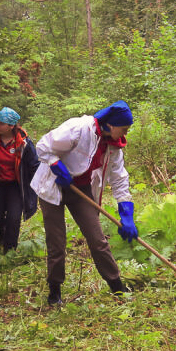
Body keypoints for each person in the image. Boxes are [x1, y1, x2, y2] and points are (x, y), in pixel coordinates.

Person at [30, 100, 139, 305]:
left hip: (81, 189)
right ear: (111, 124)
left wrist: (126, 213)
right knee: (57, 243)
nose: (126, 133)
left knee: (98, 239)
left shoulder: (114, 147)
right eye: (124, 128)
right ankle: (55, 292)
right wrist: (56, 166)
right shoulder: (79, 128)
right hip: (53, 185)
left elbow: (119, 178)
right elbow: (43, 146)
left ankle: (117, 288)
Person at [0, 107, 40, 254]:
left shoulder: (24, 143)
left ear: (11, 126)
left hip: (16, 186)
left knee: (13, 217)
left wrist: (40, 184)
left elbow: (34, 165)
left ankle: (10, 250)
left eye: (1, 123)